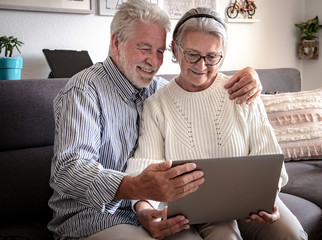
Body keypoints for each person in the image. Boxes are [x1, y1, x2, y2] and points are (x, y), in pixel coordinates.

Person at [48, 0, 263, 239]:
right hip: (93, 217)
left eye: (160, 51)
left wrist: (251, 77)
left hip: (155, 209)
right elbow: (69, 170)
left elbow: (204, 89)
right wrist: (136, 187)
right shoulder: (83, 91)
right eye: (144, 48)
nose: (154, 61)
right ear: (116, 43)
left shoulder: (159, 91)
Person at [125, 7, 307, 240]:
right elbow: (146, 166)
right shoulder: (157, 105)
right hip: (190, 211)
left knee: (291, 235)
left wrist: (270, 195)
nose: (201, 66)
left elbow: (270, 158)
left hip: (248, 203)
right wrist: (144, 209)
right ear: (175, 49)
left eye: (211, 57)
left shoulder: (243, 91)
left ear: (222, 54)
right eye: (192, 54)